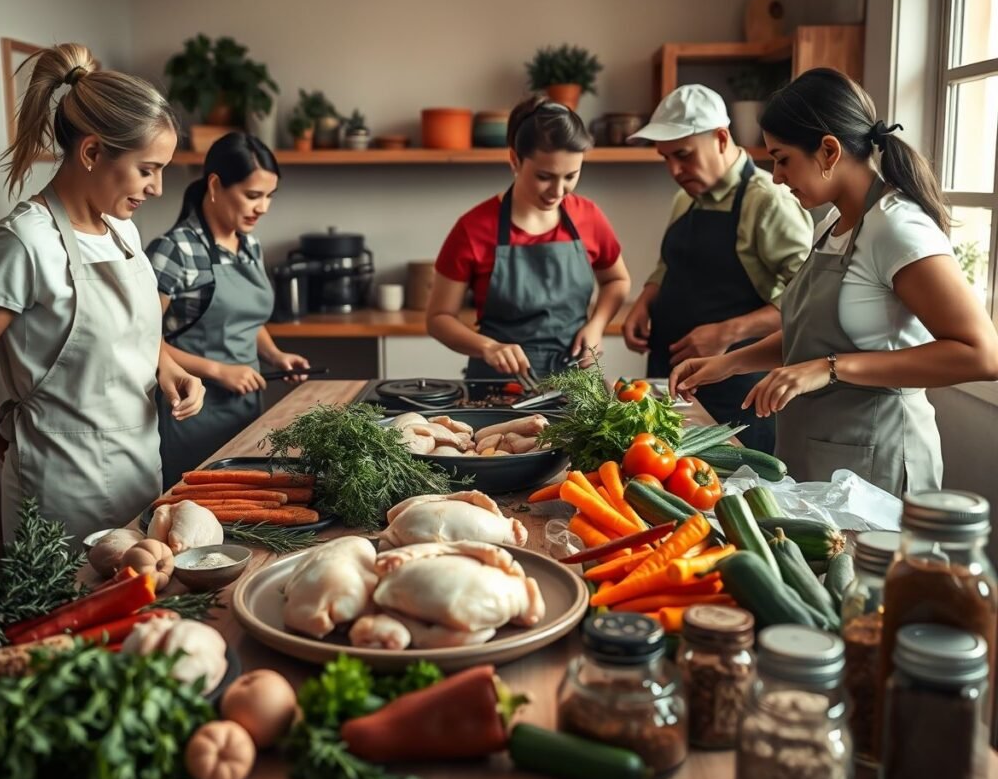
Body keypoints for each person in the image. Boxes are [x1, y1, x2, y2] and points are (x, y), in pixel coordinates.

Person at [670, 68, 998, 495]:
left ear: (828, 150)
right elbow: (810, 336)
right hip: (817, 455)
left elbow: (982, 355)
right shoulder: (834, 223)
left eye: (783, 158)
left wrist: (829, 369)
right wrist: (728, 363)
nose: (777, 176)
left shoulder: (898, 229)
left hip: (876, 464)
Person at [0, 42, 205, 542]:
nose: (158, 188)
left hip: (140, 468)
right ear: (93, 152)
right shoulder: (22, 243)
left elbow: (125, 332)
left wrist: (169, 367)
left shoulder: (122, 232)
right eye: (148, 169)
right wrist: (4, 445)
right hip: (58, 489)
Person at [622, 84, 814, 454]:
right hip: (671, 378)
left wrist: (729, 331)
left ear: (722, 138)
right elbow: (669, 264)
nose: (675, 170)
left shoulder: (767, 201)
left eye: (683, 155)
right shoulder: (686, 197)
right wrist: (646, 299)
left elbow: (806, 300)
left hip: (736, 391)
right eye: (666, 159)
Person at [147, 132, 310, 488]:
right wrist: (217, 370)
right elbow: (141, 337)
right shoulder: (174, 250)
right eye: (253, 195)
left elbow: (247, 319)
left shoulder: (249, 245)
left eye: (269, 196)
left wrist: (275, 355)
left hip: (245, 405)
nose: (263, 207)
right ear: (216, 185)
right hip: (191, 411)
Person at [427, 98, 630, 378]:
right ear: (514, 160)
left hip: (576, 386)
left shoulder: (589, 217)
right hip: (497, 386)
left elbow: (617, 280)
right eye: (545, 176)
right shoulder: (472, 228)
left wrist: (596, 326)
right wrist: (488, 347)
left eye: (571, 176)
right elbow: (438, 319)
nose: (558, 191)